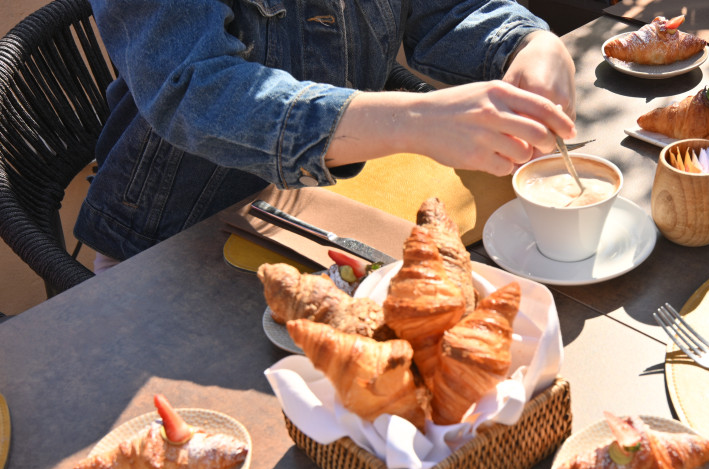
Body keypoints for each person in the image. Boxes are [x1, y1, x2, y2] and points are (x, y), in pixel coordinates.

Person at [75, 0, 577, 268]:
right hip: (177, 247)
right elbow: (194, 91)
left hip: (335, 215)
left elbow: (445, 9)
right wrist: (413, 121)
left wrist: (528, 43)